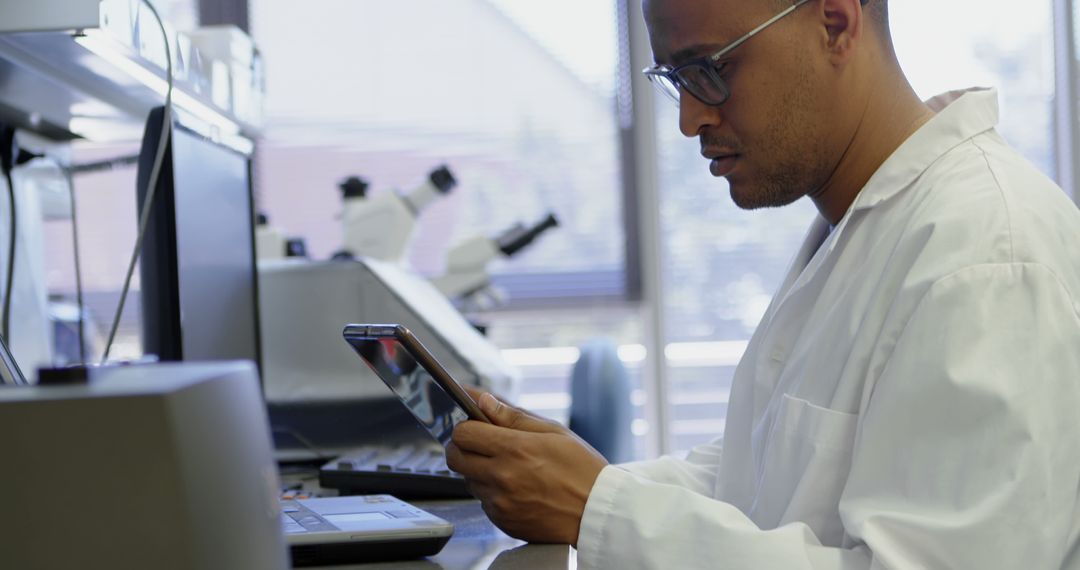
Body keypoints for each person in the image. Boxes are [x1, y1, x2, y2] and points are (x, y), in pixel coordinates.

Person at [446, 0, 1080, 567]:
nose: (689, 119)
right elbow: (764, 479)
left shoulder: (988, 256)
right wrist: (578, 480)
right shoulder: (862, 226)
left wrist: (600, 508)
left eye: (709, 69)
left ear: (834, 23)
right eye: (674, 79)